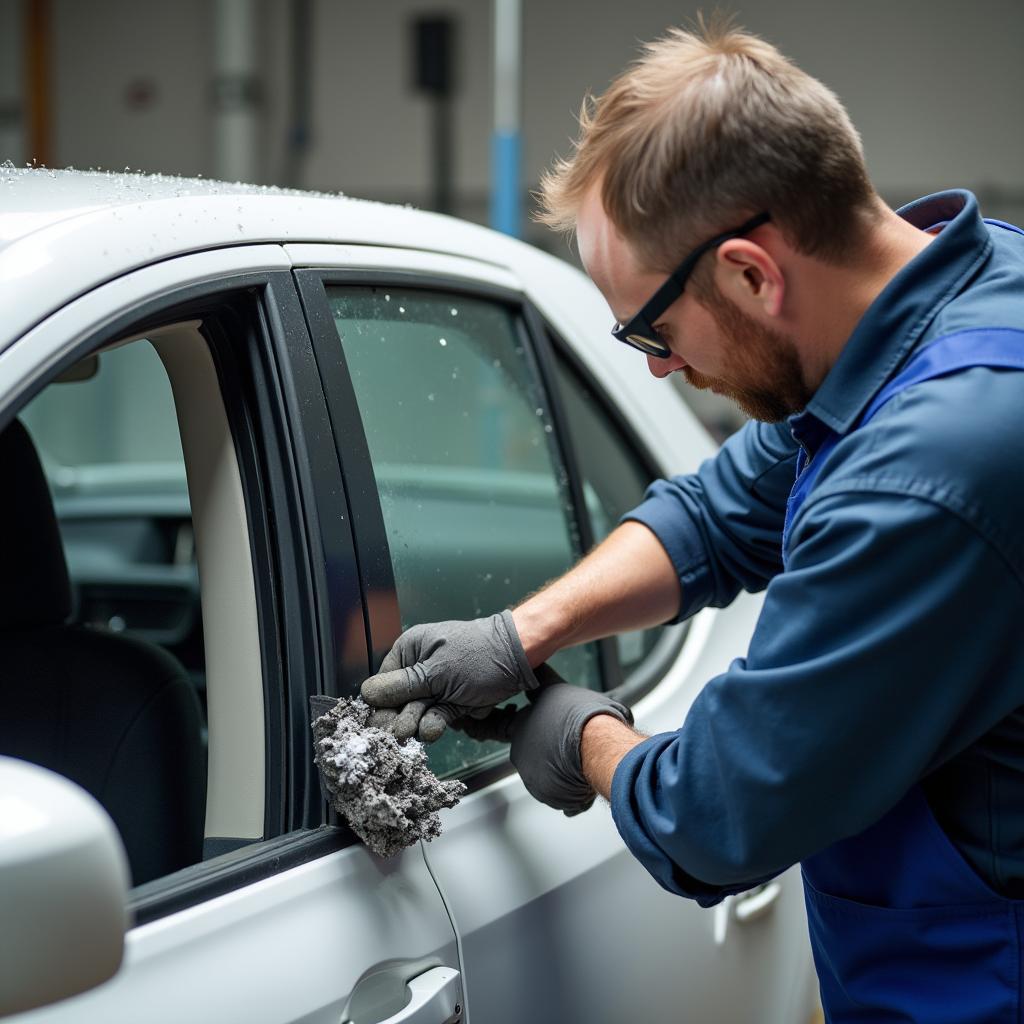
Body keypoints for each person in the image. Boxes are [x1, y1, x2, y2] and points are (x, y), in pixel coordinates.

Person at [361, 19, 1024, 1021]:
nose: (657, 368)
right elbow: (719, 512)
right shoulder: (957, 298)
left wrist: (575, 727)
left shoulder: (929, 475)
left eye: (652, 330)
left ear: (753, 274)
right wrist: (520, 635)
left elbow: (715, 814)